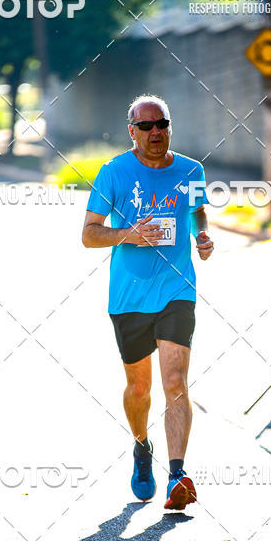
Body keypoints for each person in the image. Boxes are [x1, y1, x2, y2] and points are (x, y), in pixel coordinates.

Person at [82, 94, 214, 511]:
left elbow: (197, 210)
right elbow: (89, 234)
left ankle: (177, 475)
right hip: (129, 296)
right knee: (140, 388)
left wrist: (202, 235)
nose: (155, 131)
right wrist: (128, 234)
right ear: (132, 132)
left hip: (177, 291)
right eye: (146, 126)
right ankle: (142, 446)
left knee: (175, 381)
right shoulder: (113, 172)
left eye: (162, 124)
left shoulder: (192, 170)